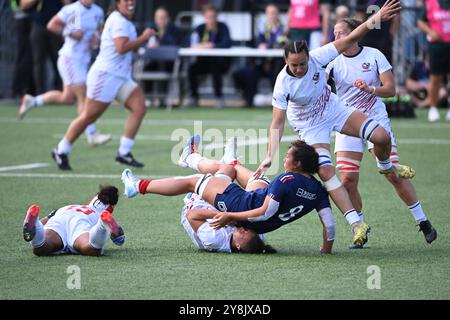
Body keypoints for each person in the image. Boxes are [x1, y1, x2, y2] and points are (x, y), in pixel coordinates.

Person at [254, 0, 408, 245]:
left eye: (302, 64)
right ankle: (357, 224)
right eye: (293, 65)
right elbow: (277, 122)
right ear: (286, 61)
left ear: (308, 57)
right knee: (326, 170)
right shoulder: (282, 82)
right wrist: (270, 155)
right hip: (310, 127)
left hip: (333, 109)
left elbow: (351, 37)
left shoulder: (318, 56)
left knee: (381, 137)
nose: (299, 68)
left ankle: (386, 164)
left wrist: (376, 17)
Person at [326, 18, 437, 246]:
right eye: (334, 33)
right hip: (347, 122)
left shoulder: (374, 55)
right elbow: (322, 89)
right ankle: (360, 230)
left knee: (391, 174)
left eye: (341, 33)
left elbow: (392, 89)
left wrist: (371, 89)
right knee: (347, 180)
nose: (336, 38)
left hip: (375, 119)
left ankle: (422, 220)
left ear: (355, 33)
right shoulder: (332, 61)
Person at [121, 136, 340, 249]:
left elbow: (264, 212)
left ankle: (138, 186)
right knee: (243, 174)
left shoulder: (286, 179)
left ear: (298, 164)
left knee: (194, 182)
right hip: (260, 217)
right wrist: (327, 249)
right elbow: (329, 225)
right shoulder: (319, 191)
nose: (284, 159)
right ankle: (202, 159)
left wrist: (231, 216)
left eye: (288, 156)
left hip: (242, 206)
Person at [51, 0, 156, 170]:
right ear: (118, 4)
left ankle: (124, 152)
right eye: (126, 0)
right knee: (88, 116)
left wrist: (142, 41)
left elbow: (125, 46)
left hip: (119, 75)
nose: (131, 3)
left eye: (132, 0)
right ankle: (61, 149)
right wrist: (143, 38)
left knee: (139, 108)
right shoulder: (114, 19)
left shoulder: (110, 16)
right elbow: (121, 47)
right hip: (104, 75)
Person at [19, 0, 111, 147]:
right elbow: (53, 25)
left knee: (67, 97)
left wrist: (96, 39)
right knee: (83, 97)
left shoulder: (97, 12)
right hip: (70, 58)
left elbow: (98, 31)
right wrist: (69, 32)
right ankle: (92, 134)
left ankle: (33, 101)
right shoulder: (73, 10)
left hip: (83, 59)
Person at [22, 185, 125, 256]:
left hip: (62, 216)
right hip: (81, 222)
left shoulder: (69, 207)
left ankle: (34, 220)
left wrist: (37, 226)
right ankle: (103, 224)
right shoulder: (96, 214)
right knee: (91, 248)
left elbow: (45, 221)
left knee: (41, 248)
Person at [181, 192, 276, 253]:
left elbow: (191, 215)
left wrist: (225, 215)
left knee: (226, 170)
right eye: (246, 229)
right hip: (208, 208)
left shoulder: (214, 239)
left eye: (242, 233)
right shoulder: (255, 236)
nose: (243, 229)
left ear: (238, 246)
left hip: (194, 206)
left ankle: (187, 160)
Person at [233, 3, 286, 107]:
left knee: (276, 73)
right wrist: (264, 46)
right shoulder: (262, 29)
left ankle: (278, 104)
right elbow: (259, 45)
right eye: (269, 13)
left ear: (278, 14)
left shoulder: (284, 29)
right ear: (266, 14)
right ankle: (248, 101)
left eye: (274, 13)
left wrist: (269, 45)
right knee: (246, 73)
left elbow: (280, 44)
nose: (272, 15)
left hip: (277, 64)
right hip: (261, 62)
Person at [185, 3, 232, 108]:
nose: (211, 19)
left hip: (220, 62)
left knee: (215, 66)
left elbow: (227, 43)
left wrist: (213, 45)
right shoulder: (199, 28)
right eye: (208, 17)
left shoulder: (222, 27)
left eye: (213, 17)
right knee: (191, 70)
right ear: (204, 17)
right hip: (203, 62)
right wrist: (199, 45)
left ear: (217, 16)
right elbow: (186, 42)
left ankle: (218, 97)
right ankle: (194, 97)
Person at [20, 0, 70, 95]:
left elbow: (69, 5)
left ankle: (61, 91)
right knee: (38, 62)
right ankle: (40, 92)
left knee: (59, 59)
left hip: (56, 26)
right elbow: (24, 5)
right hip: (38, 25)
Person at [417, 0, 450, 122]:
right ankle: (433, 108)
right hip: (436, 47)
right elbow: (420, 22)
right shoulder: (430, 3)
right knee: (435, 78)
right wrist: (430, 32)